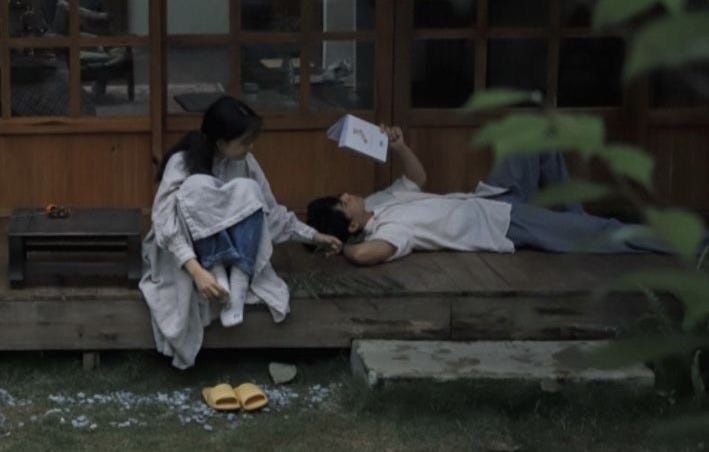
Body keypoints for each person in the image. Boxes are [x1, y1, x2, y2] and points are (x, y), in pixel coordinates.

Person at [140, 96, 341, 368]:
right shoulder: (182, 162)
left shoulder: (246, 163)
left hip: (235, 257)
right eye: (245, 142)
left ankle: (237, 286)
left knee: (250, 189)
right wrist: (197, 271)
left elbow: (269, 212)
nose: (251, 147)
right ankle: (217, 273)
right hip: (187, 255)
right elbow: (164, 222)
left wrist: (314, 236)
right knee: (197, 186)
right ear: (220, 142)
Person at [307, 125, 672, 266]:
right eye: (343, 203)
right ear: (351, 225)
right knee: (606, 231)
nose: (347, 194)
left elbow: (417, 178)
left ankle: (574, 221)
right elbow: (367, 254)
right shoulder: (389, 233)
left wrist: (400, 147)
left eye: (341, 195)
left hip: (489, 198)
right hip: (504, 225)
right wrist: (341, 247)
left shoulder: (379, 202)